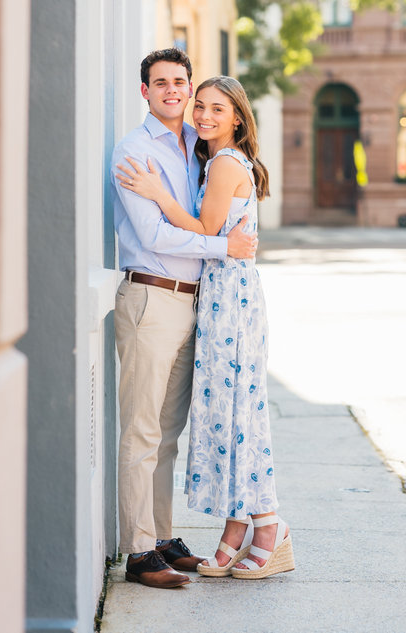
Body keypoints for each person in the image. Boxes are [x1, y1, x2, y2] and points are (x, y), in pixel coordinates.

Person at [116, 75, 294, 581]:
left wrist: (155, 192)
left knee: (238, 412)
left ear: (238, 117)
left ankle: (268, 526)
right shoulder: (209, 159)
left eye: (218, 108)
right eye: (202, 107)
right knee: (228, 412)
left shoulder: (223, 162)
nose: (205, 116)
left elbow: (204, 229)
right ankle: (236, 530)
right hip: (217, 295)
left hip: (228, 298)